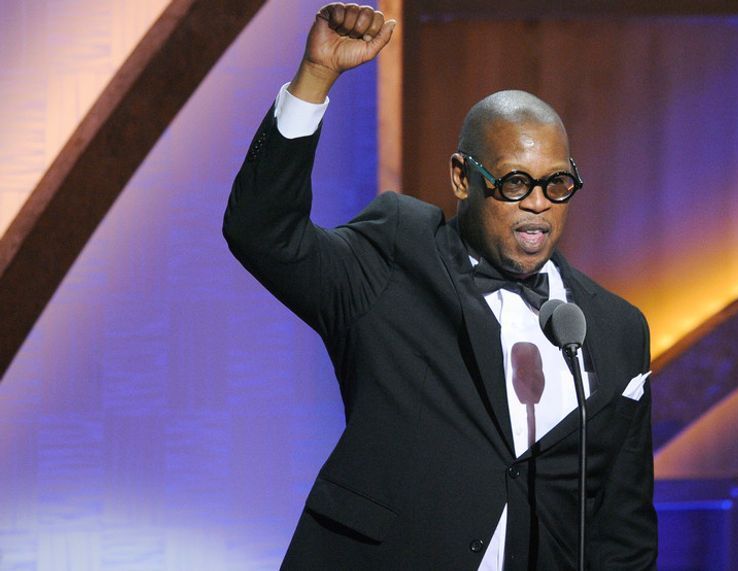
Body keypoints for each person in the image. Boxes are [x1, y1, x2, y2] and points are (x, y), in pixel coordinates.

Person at [223, 3, 657, 569]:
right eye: (515, 182)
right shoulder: (395, 260)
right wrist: (316, 76)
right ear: (462, 177)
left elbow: (621, 530)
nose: (537, 203)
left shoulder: (616, 329)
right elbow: (263, 233)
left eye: (557, 183)